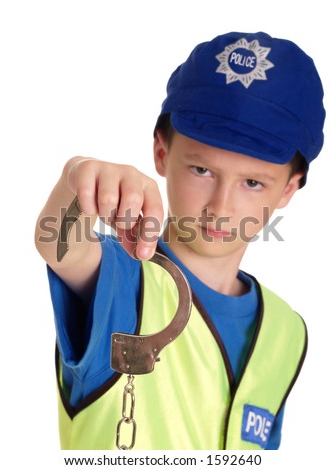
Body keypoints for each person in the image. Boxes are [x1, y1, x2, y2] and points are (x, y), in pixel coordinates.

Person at [35, 31, 325, 450]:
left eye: (252, 182)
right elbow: (57, 243)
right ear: (161, 152)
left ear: (288, 189)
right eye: (202, 171)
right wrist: (78, 177)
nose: (221, 207)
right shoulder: (121, 280)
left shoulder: (286, 332)